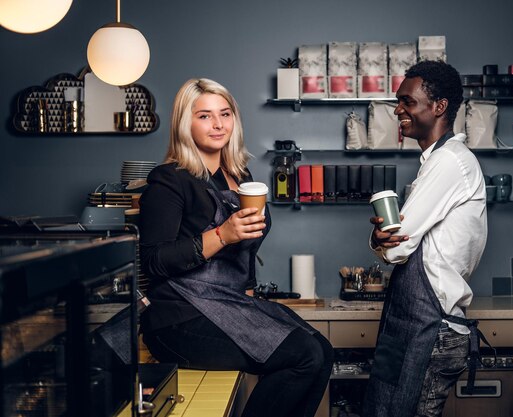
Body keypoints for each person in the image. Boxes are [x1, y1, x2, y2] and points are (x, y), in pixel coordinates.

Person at [139, 78, 333, 417]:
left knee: (321, 350)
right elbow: (154, 260)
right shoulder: (169, 179)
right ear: (184, 123)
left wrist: (247, 292)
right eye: (204, 116)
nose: (218, 124)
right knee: (305, 355)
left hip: (227, 304)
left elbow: (243, 255)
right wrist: (223, 235)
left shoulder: (240, 176)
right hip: (178, 317)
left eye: (225, 114)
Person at [362, 61, 488, 417]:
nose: (398, 110)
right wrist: (380, 239)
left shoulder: (449, 162)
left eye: (408, 102)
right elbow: (394, 242)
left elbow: (398, 247)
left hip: (429, 331)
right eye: (397, 102)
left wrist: (381, 241)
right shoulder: (436, 162)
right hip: (410, 326)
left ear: (439, 107)